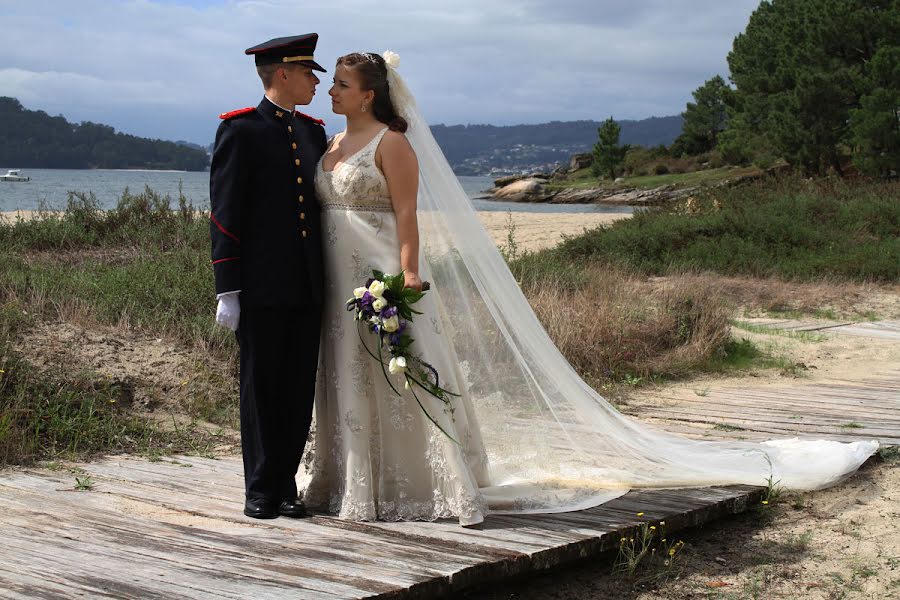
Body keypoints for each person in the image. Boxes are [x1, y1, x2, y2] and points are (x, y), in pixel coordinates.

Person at [304, 51, 879, 527]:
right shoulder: (329, 144)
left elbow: (408, 216)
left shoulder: (393, 143)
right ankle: (351, 480)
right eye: (332, 83)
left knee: (404, 370)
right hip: (335, 281)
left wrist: (407, 276)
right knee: (347, 373)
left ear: (370, 94)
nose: (332, 91)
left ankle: (420, 482)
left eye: (342, 84)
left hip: (380, 274)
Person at [209, 33, 327, 520]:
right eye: (308, 74)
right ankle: (259, 488)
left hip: (308, 284)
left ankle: (286, 484)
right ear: (283, 74)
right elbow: (224, 214)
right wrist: (228, 289)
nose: (315, 84)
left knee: (298, 388)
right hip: (260, 286)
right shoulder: (240, 130)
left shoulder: (314, 132)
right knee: (261, 387)